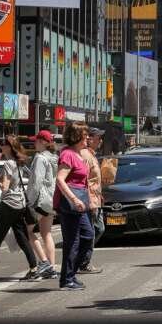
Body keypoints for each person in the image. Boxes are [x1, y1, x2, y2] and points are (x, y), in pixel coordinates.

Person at [0, 135, 40, 282]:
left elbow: (5, 188)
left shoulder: (8, 163)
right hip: (19, 204)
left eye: (3, 144)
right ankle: (34, 267)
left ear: (9, 146)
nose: (1, 146)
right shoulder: (17, 162)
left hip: (8, 204)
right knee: (21, 237)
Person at [55, 122, 94, 291]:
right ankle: (67, 279)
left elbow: (83, 181)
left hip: (81, 201)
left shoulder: (80, 155)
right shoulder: (68, 154)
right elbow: (60, 179)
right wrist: (74, 199)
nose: (88, 138)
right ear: (77, 136)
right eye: (85, 135)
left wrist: (89, 199)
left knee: (88, 236)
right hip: (71, 203)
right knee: (72, 242)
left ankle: (70, 273)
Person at [25, 130, 58, 280]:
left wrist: (29, 201)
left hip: (40, 200)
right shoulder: (54, 158)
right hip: (51, 200)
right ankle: (51, 266)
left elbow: (37, 182)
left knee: (26, 231)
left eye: (36, 141)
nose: (34, 143)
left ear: (43, 142)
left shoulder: (40, 158)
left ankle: (44, 263)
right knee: (47, 233)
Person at [79, 127, 105, 274]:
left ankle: (82, 259)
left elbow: (94, 180)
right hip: (90, 200)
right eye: (98, 138)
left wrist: (100, 194)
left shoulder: (92, 155)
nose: (100, 141)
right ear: (89, 139)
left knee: (97, 229)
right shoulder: (85, 156)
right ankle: (83, 261)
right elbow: (84, 180)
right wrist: (89, 200)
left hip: (96, 198)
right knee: (92, 231)